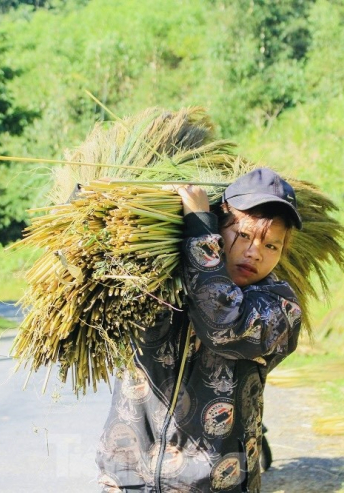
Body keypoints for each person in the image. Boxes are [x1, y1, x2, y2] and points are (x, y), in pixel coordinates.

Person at [96, 168, 304, 492]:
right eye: (244, 235)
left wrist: (200, 233)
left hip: (212, 484)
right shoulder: (162, 277)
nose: (255, 253)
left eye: (272, 246)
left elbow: (224, 325)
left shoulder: (280, 309)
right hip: (129, 475)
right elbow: (97, 270)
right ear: (220, 221)